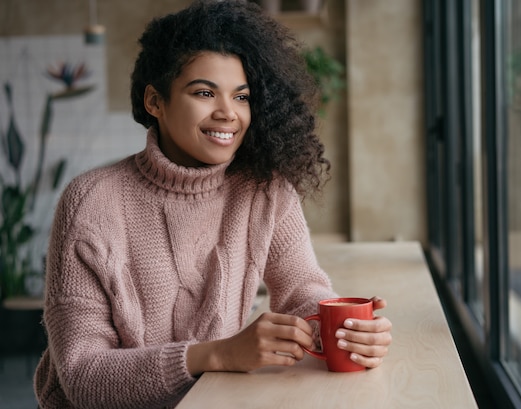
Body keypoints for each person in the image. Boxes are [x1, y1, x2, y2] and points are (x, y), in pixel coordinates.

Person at [34, 1, 392, 408]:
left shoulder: (264, 189)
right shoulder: (91, 202)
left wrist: (342, 330)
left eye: (242, 97)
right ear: (155, 101)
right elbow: (83, 377)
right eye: (205, 92)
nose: (228, 113)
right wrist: (219, 353)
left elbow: (300, 287)